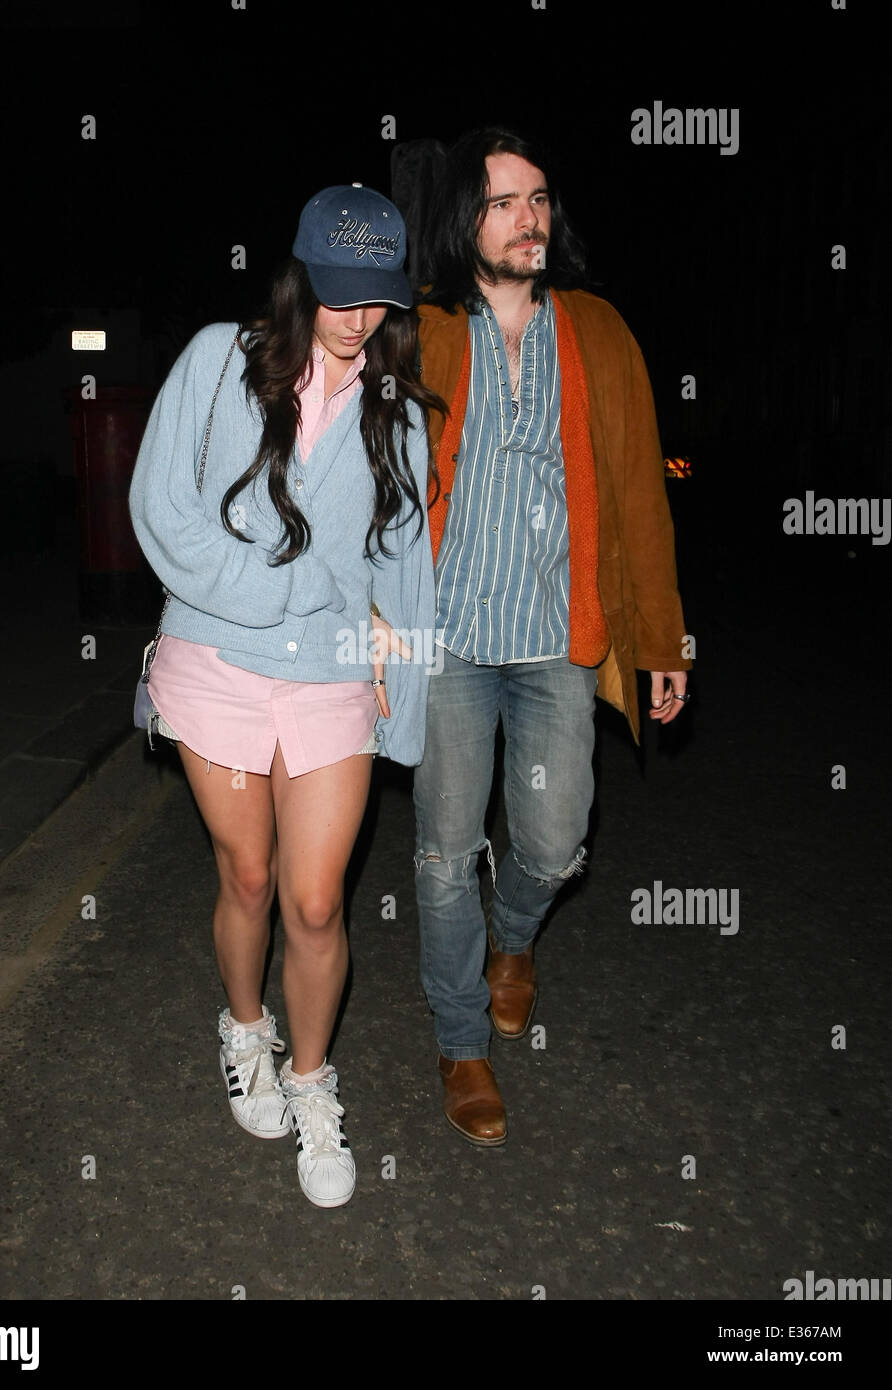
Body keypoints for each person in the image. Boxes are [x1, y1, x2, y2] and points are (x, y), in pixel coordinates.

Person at [129, 184, 441, 1207]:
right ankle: (243, 1028)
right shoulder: (220, 361)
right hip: (213, 660)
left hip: (332, 670)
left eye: (377, 299)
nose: (358, 320)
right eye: (341, 294)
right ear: (301, 276)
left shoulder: (395, 412)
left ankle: (312, 1081)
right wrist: (296, 587)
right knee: (250, 876)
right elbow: (161, 513)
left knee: (315, 897)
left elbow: (402, 569)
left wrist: (410, 696)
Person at [413, 128, 692, 1144]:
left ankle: (514, 936)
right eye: (504, 203)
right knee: (444, 854)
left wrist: (662, 640)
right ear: (464, 222)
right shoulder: (425, 331)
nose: (529, 218)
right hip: (445, 638)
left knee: (554, 837)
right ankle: (460, 1044)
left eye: (538, 199)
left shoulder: (599, 332)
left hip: (553, 638)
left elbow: (634, 495)